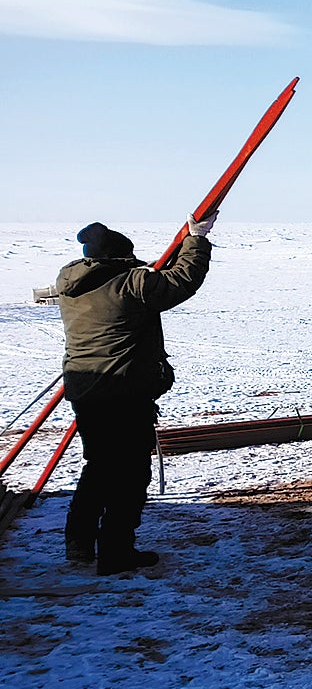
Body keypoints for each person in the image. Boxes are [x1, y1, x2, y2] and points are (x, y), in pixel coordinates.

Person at [55, 213, 215, 574]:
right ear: (121, 259)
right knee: (129, 475)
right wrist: (197, 239)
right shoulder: (128, 285)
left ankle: (79, 541)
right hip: (123, 393)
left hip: (87, 391)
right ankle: (116, 552)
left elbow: (153, 281)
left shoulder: (74, 283)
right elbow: (180, 282)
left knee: (99, 467)